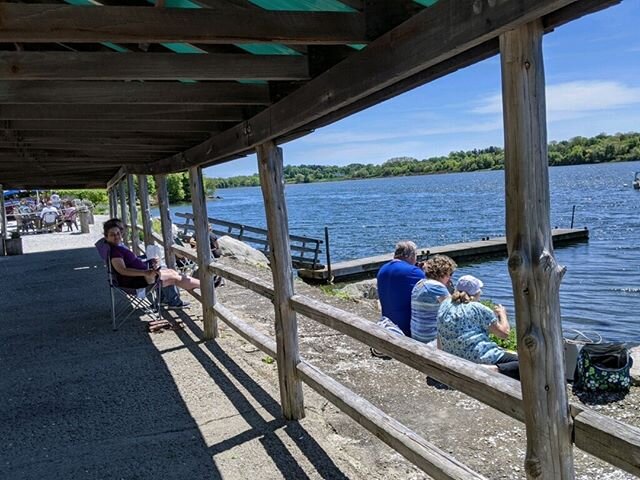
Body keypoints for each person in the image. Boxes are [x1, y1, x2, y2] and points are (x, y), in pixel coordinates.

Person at [437, 275, 519, 380]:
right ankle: (493, 370)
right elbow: (504, 334)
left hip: (453, 354)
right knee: (523, 364)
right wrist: (502, 314)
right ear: (476, 293)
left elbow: (439, 333)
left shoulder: (445, 304)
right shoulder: (478, 308)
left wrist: (442, 356)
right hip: (478, 357)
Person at [103, 218, 195, 309]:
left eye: (118, 233)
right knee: (168, 275)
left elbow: (131, 262)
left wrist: (148, 262)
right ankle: (176, 300)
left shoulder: (117, 247)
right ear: (106, 237)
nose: (116, 236)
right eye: (112, 235)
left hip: (138, 277)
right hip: (134, 282)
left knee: (167, 270)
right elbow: (122, 270)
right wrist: (145, 272)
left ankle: (164, 299)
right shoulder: (115, 252)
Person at [376, 240, 426, 336]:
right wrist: (423, 272)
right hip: (407, 329)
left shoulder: (383, 269)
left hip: (388, 324)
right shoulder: (414, 272)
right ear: (410, 256)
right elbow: (431, 290)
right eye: (416, 255)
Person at [410, 255, 457, 345]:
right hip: (430, 340)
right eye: (450, 274)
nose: (450, 278)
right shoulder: (436, 287)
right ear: (443, 273)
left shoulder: (419, 284)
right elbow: (455, 311)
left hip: (417, 336)